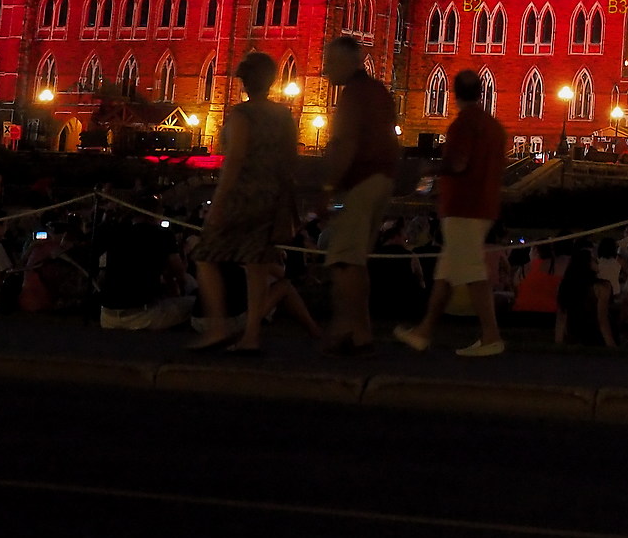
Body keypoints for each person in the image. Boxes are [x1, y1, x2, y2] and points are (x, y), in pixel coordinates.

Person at [189, 51, 305, 352]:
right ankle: (251, 336)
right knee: (256, 266)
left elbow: (235, 161)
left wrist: (218, 202)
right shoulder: (283, 115)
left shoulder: (242, 115)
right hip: (271, 197)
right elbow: (292, 160)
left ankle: (217, 327)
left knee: (205, 255)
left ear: (245, 82)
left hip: (242, 197)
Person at [394, 68, 509, 358]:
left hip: (463, 208)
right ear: (482, 93)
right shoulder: (494, 126)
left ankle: (491, 336)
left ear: (453, 94)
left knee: (472, 272)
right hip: (484, 205)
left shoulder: (462, 125)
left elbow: (457, 165)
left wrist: (429, 169)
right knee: (446, 274)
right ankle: (423, 332)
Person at [315, 33, 399, 354]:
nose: (326, 70)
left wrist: (326, 187)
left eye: (331, 62)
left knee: (342, 259)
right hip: (383, 179)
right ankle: (361, 332)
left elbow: (345, 144)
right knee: (357, 260)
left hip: (363, 180)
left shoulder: (354, 95)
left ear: (349, 62)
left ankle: (345, 330)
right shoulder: (379, 91)